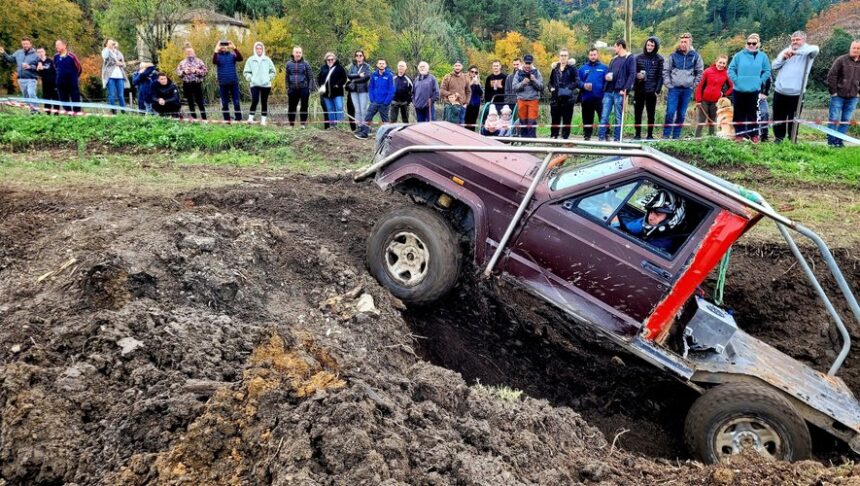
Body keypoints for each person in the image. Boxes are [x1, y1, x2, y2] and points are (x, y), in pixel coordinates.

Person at [771, 31, 819, 143]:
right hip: (780, 91)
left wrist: (795, 52)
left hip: (797, 93)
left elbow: (815, 49)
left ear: (804, 40)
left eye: (797, 40)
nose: (794, 42)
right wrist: (783, 58)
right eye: (793, 40)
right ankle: (778, 138)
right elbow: (774, 66)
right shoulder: (786, 51)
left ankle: (792, 140)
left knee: (794, 118)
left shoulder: (809, 52)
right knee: (778, 116)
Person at [728, 33, 771, 142]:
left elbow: (767, 71)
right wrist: (736, 80)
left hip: (754, 90)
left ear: (758, 44)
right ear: (746, 44)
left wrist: (759, 81)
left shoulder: (763, 56)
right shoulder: (738, 56)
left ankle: (754, 134)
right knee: (739, 113)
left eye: (754, 43)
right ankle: (739, 134)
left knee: (753, 113)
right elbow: (731, 69)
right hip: (739, 90)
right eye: (749, 43)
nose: (751, 45)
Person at [616, 189, 686, 253]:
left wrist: (616, 224)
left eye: (658, 213)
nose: (651, 217)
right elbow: (629, 229)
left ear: (673, 216)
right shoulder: (645, 223)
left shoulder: (663, 245)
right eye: (650, 211)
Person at [662, 33, 704, 139]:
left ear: (690, 43)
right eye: (681, 42)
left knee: (681, 114)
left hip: (687, 90)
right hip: (674, 89)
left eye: (685, 42)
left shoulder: (695, 56)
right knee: (670, 112)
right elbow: (666, 70)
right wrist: (668, 84)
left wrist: (693, 85)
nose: (683, 44)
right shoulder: (673, 56)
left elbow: (700, 72)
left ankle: (676, 136)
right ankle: (666, 135)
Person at [599, 40, 635, 142]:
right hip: (608, 91)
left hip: (619, 92)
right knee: (604, 115)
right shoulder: (613, 59)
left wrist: (626, 89)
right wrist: (607, 77)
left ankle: (617, 139)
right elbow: (609, 72)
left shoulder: (630, 58)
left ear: (620, 46)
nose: (614, 49)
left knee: (618, 116)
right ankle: (601, 138)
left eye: (615, 46)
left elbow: (632, 74)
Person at [825, 40, 860, 147]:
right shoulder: (841, 60)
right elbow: (831, 76)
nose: (855, 50)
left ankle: (839, 141)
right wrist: (834, 92)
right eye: (854, 47)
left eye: (858, 48)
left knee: (846, 120)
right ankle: (831, 142)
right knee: (834, 118)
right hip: (838, 96)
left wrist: (858, 93)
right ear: (850, 48)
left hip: (853, 97)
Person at [354, 59, 395, 139]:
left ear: (385, 65)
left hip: (384, 103)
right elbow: (371, 87)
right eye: (380, 63)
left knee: (385, 120)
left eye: (383, 63)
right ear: (377, 65)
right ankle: (364, 133)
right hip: (374, 102)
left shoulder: (389, 76)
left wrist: (386, 101)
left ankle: (387, 136)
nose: (381, 65)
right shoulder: (374, 75)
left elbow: (391, 90)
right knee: (368, 117)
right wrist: (372, 99)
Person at [694, 55, 733, 137]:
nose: (721, 65)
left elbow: (732, 87)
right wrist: (698, 100)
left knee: (712, 121)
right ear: (716, 62)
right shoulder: (707, 71)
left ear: (726, 64)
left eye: (724, 63)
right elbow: (700, 86)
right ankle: (696, 138)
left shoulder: (726, 74)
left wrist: (724, 94)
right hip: (704, 100)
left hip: (716, 102)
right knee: (701, 120)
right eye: (720, 62)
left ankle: (712, 138)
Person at [633, 36, 664, 140]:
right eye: (648, 45)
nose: (649, 47)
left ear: (655, 47)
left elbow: (660, 76)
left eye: (652, 45)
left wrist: (657, 91)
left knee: (651, 113)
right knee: (638, 113)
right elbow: (633, 73)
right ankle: (637, 134)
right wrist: (637, 76)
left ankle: (650, 134)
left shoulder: (659, 59)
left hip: (652, 90)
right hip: (639, 90)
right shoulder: (638, 58)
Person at [0, 37, 39, 112]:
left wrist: (30, 66)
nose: (25, 45)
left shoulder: (36, 54)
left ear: (30, 44)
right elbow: (10, 59)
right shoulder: (18, 52)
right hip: (21, 79)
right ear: (22, 44)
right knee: (26, 96)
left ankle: (36, 110)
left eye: (27, 44)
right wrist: (4, 53)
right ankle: (32, 111)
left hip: (31, 78)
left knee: (31, 93)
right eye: (23, 44)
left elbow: (38, 66)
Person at [577, 49, 608, 140]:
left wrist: (604, 91)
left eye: (594, 54)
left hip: (600, 98)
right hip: (587, 98)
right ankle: (587, 136)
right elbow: (577, 81)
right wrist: (583, 85)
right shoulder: (582, 68)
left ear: (597, 55)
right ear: (588, 56)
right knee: (587, 118)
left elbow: (607, 82)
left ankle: (605, 134)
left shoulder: (604, 68)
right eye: (591, 55)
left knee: (603, 117)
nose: (593, 56)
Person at [243, 41, 276, 125]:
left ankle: (263, 120)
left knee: (264, 102)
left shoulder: (267, 60)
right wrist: (250, 78)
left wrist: (268, 78)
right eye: (257, 48)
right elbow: (246, 72)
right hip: (254, 84)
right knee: (255, 100)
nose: (259, 50)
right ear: (255, 49)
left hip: (266, 85)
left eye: (260, 48)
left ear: (263, 49)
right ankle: (250, 118)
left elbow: (273, 71)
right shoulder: (251, 60)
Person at [548, 49, 578, 139]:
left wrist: (568, 88)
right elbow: (550, 82)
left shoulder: (572, 68)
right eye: (562, 55)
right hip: (556, 98)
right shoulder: (555, 69)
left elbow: (576, 81)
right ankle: (554, 136)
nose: (563, 57)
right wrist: (551, 88)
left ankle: (565, 137)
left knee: (567, 119)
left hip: (568, 98)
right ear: (559, 57)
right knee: (555, 118)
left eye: (565, 55)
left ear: (568, 57)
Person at [513, 54, 544, 138]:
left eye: (529, 63)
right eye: (526, 63)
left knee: (532, 121)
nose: (527, 65)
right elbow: (514, 87)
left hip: (533, 100)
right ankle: (524, 139)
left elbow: (541, 87)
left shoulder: (537, 72)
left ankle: (532, 139)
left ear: (532, 63)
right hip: (521, 100)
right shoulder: (518, 73)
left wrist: (534, 80)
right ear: (523, 62)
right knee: (522, 121)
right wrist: (523, 83)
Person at [212, 39, 243, 122]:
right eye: (222, 45)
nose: (224, 47)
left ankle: (238, 119)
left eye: (225, 45)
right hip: (223, 83)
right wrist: (216, 49)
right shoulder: (218, 56)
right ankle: (227, 120)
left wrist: (234, 47)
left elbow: (240, 58)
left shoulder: (232, 55)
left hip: (233, 82)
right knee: (224, 103)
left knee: (236, 102)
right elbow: (214, 61)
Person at [176, 45, 208, 120]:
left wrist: (197, 71)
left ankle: (204, 118)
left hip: (197, 84)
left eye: (191, 52)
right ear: (185, 53)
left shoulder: (199, 61)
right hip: (187, 84)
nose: (189, 53)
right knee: (190, 102)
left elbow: (205, 72)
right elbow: (178, 73)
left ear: (194, 52)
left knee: (200, 101)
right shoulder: (182, 63)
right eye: (188, 52)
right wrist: (184, 72)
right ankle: (194, 118)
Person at [285, 46, 314, 127]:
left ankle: (302, 125)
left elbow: (311, 77)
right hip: (292, 89)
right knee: (291, 107)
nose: (298, 54)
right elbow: (286, 77)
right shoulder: (288, 64)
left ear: (301, 54)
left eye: (299, 52)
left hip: (304, 88)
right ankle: (291, 125)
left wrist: (309, 89)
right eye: (296, 52)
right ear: (293, 53)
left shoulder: (306, 64)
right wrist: (287, 88)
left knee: (304, 107)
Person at [318, 52, 347, 128]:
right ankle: (332, 125)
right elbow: (319, 78)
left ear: (335, 59)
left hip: (337, 92)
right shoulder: (323, 68)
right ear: (326, 60)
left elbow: (344, 78)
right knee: (330, 109)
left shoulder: (339, 68)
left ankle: (340, 125)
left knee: (339, 107)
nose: (330, 61)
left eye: (332, 59)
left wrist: (338, 85)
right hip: (326, 93)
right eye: (329, 60)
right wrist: (321, 86)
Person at [53, 39, 83, 113]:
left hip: (72, 82)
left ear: (64, 45)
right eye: (56, 45)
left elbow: (79, 68)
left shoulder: (72, 56)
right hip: (61, 83)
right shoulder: (56, 56)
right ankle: (69, 113)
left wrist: (74, 77)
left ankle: (77, 114)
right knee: (63, 99)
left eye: (58, 45)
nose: (57, 46)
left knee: (75, 98)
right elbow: (55, 67)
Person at [346, 50, 372, 132]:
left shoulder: (366, 66)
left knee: (363, 110)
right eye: (357, 55)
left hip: (363, 90)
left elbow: (366, 77)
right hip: (353, 90)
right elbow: (349, 75)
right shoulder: (352, 66)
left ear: (363, 57)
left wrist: (354, 80)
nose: (359, 57)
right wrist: (358, 75)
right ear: (355, 57)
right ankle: (359, 127)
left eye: (360, 55)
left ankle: (365, 127)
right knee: (357, 110)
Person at [101, 39, 128, 111]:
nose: (112, 44)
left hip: (119, 76)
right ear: (106, 44)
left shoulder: (118, 53)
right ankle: (113, 111)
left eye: (112, 43)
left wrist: (120, 63)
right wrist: (108, 48)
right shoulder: (105, 51)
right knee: (112, 94)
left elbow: (124, 64)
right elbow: (105, 57)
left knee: (121, 95)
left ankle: (123, 110)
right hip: (110, 76)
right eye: (110, 42)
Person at [35, 47, 58, 113]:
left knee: (55, 99)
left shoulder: (50, 61)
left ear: (45, 52)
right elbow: (39, 74)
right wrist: (39, 69)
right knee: (46, 99)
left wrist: (44, 67)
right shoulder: (38, 63)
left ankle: (56, 114)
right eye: (38, 52)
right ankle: (48, 115)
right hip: (45, 84)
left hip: (54, 83)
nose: (40, 53)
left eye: (41, 51)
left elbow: (55, 71)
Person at [464, 66, 483, 130]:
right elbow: (464, 90)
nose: (474, 73)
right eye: (472, 71)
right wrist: (472, 82)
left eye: (476, 72)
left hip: (476, 104)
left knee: (473, 122)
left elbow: (480, 93)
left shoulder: (478, 82)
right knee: (466, 122)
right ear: (469, 72)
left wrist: (477, 84)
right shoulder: (465, 79)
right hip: (467, 104)